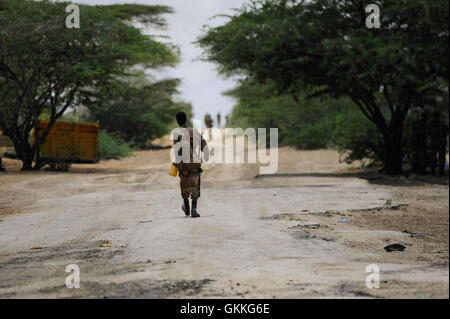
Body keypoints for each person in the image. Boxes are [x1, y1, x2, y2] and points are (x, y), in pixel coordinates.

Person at [172, 112, 209, 218]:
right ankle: (193, 209)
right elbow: (204, 146)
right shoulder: (195, 131)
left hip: (184, 164)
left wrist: (178, 163)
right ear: (186, 119)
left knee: (184, 185)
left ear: (177, 121)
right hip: (195, 164)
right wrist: (206, 156)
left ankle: (187, 207)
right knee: (195, 186)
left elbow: (176, 149)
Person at [428, 111, 448, 176]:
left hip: (434, 142)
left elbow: (428, 133)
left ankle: (434, 171)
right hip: (440, 142)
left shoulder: (431, 124)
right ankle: (439, 171)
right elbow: (446, 132)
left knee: (434, 157)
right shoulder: (442, 124)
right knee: (440, 158)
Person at [411, 109, 428, 174]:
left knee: (416, 156)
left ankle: (416, 168)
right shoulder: (423, 124)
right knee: (421, 157)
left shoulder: (416, 122)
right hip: (420, 143)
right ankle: (420, 170)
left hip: (416, 143)